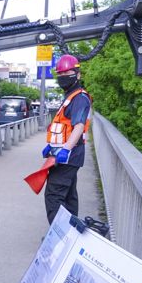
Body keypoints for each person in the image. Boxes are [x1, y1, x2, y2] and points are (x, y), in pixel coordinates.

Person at [42, 54, 92, 223]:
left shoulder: (80, 98)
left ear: (78, 75)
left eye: (67, 74)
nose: (63, 78)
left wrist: (65, 149)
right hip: (64, 155)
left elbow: (78, 126)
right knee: (69, 196)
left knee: (54, 196)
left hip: (69, 156)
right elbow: (63, 126)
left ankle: (59, 238)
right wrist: (51, 146)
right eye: (60, 75)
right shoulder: (70, 97)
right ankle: (71, 236)